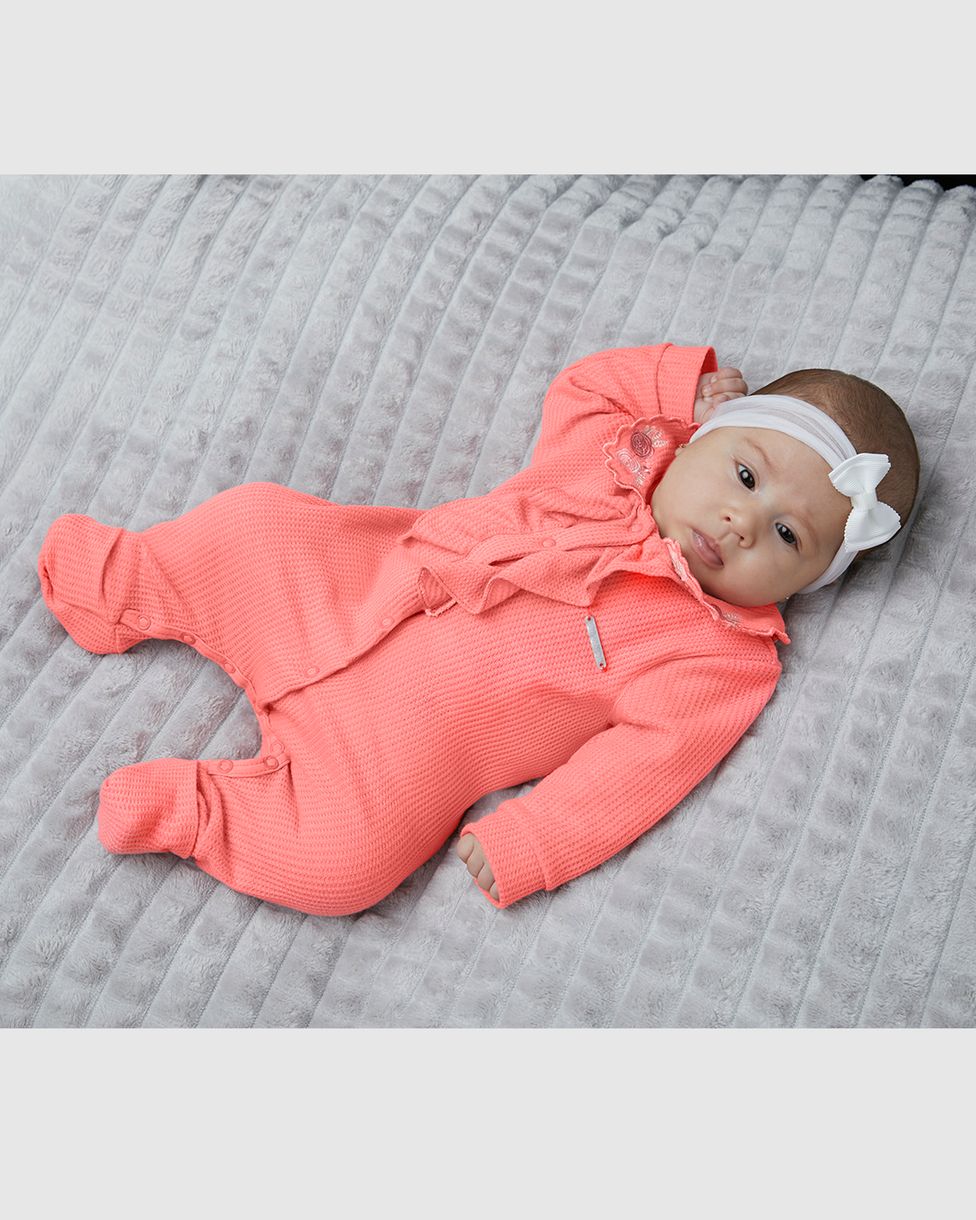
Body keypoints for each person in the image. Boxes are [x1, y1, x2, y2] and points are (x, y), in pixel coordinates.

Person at [36, 344, 920, 914]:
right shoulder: (616, 455)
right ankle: (131, 583)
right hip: (349, 582)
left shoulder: (720, 656)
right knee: (254, 528)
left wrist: (538, 839)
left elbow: (644, 769)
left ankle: (202, 813)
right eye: (744, 476)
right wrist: (673, 383)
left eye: (789, 536)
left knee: (347, 864)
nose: (741, 523)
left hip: (397, 757)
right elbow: (584, 384)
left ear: (812, 582)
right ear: (697, 438)